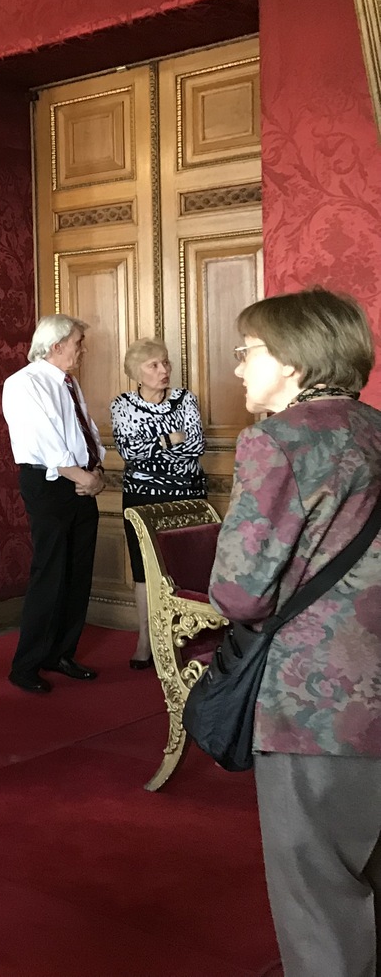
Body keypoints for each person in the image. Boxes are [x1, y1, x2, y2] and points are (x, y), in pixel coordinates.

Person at [208, 288, 381, 977]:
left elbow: (238, 591)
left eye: (247, 351)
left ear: (292, 360)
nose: (238, 367)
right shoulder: (376, 429)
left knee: (319, 902)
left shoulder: (276, 440)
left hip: (316, 702)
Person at [1, 314, 104, 694]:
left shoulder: (68, 382)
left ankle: (61, 653)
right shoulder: (24, 383)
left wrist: (96, 471)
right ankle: (26, 665)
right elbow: (43, 441)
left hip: (81, 481)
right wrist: (82, 477)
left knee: (78, 573)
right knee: (50, 572)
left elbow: (86, 430)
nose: (83, 350)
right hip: (50, 484)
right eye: (78, 342)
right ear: (57, 345)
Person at [109, 337, 208, 668]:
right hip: (142, 498)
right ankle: (146, 640)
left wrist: (152, 446)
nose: (164, 369)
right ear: (137, 372)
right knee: (144, 570)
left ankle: (186, 638)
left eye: (165, 362)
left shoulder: (185, 400)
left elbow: (196, 446)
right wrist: (169, 439)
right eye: (154, 365)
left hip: (188, 496)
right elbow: (129, 452)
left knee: (186, 568)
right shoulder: (122, 405)